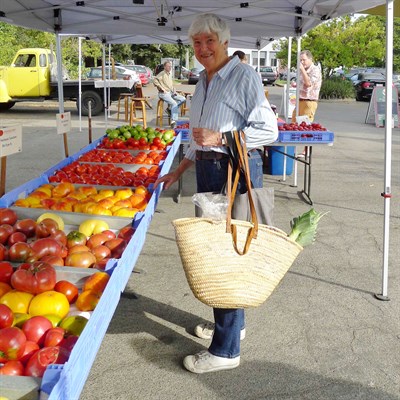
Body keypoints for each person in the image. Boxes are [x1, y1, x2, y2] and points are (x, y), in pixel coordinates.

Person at [154, 14, 278, 374]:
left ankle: (226, 350)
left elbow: (267, 129)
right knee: (219, 251)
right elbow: (199, 134)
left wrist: (222, 139)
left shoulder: (243, 75)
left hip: (234, 170)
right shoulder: (204, 80)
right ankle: (234, 326)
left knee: (226, 256)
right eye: (196, 43)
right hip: (210, 169)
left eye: (209, 41)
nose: (203, 49)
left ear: (225, 41)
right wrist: (179, 169)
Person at [152, 61, 186, 128]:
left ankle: (170, 109)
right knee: (174, 104)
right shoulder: (162, 73)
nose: (169, 67)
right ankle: (174, 121)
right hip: (164, 93)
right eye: (168, 66)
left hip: (170, 92)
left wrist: (174, 89)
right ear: (164, 67)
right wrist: (161, 88)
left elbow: (170, 85)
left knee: (183, 99)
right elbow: (155, 80)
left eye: (170, 66)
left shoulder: (169, 74)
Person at [292, 50, 322, 123]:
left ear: (310, 59)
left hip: (308, 102)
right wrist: (295, 85)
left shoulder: (315, 70)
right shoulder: (302, 71)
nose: (302, 62)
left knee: (303, 125)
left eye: (304, 60)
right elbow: (302, 84)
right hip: (299, 101)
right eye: (300, 60)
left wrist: (302, 70)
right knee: (294, 123)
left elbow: (308, 84)